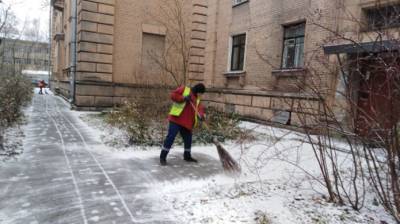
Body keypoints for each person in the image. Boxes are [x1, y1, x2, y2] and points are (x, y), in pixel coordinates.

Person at [160, 83, 206, 166]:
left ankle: (187, 156)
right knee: (171, 137)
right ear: (197, 90)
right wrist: (183, 98)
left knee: (188, 139)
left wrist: (201, 116)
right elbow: (173, 95)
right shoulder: (185, 89)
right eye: (200, 93)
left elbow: (200, 109)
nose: (201, 95)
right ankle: (162, 157)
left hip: (187, 122)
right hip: (176, 119)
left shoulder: (197, 99)